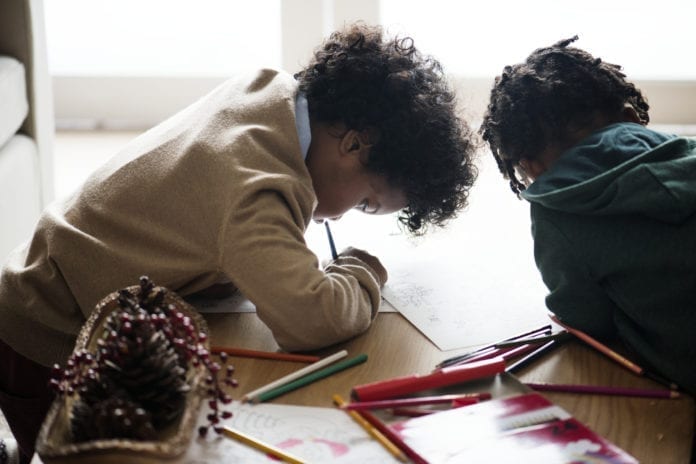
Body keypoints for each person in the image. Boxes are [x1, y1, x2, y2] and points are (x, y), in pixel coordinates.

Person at [0, 23, 476, 463]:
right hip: (48, 331)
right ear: (353, 144)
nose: (338, 217)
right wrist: (363, 268)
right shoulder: (255, 189)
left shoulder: (269, 91)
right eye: (365, 203)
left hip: (45, 271)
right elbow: (315, 319)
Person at [479, 36, 696, 394]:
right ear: (631, 117)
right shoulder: (687, 151)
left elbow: (584, 319)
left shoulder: (556, 207)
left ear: (530, 167)